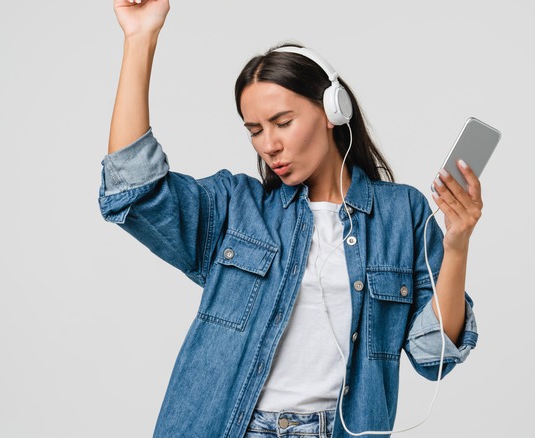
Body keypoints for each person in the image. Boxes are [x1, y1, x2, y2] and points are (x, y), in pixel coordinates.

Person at [99, 1, 481, 437]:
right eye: (255, 130)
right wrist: (140, 38)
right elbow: (134, 187)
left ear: (333, 112)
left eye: (282, 122)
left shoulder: (401, 214)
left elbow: (435, 355)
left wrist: (457, 245)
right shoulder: (237, 207)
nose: (269, 145)